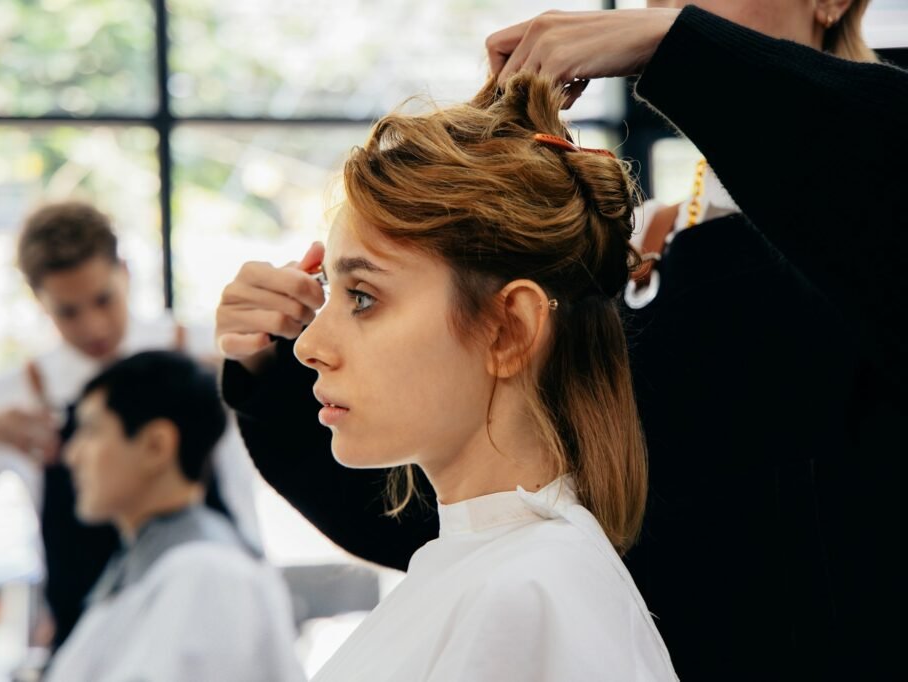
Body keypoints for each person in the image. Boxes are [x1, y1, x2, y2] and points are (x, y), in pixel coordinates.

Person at [216, 2, 907, 679]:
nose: (664, 3)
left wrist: (678, 44)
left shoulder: (867, 222)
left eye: (363, 297)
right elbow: (466, 481)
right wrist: (271, 368)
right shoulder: (670, 246)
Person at [243, 73, 676, 680]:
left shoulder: (525, 596)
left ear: (509, 329)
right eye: (326, 293)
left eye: (362, 297)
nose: (309, 345)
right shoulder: (501, 572)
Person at [0, 201, 262, 648]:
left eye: (104, 299)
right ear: (39, 301)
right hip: (92, 639)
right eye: (68, 311)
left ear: (124, 271)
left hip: (220, 617)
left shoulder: (208, 355)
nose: (93, 326)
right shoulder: (20, 400)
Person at [44, 350, 303, 682]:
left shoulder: (206, 573)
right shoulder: (157, 562)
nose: (71, 454)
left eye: (91, 431)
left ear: (156, 445)